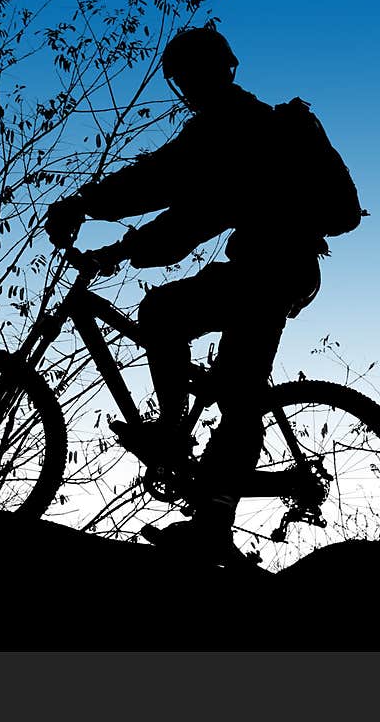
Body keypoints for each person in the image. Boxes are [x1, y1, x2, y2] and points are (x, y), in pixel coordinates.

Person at [43, 27, 325, 562]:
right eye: (181, 79)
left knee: (232, 382)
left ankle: (210, 515)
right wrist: (120, 243)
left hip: (273, 270)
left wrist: (90, 213)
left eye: (187, 77)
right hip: (268, 267)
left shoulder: (234, 126)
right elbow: (185, 204)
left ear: (211, 73)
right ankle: (177, 433)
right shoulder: (228, 125)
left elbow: (168, 190)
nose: (186, 89)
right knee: (172, 320)